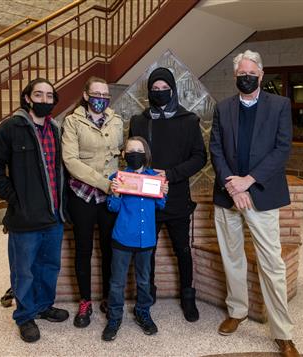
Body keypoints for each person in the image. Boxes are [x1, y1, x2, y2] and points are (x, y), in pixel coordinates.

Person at [209, 50, 300, 357]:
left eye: (251, 73)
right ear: (235, 77)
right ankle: (237, 311)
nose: (245, 77)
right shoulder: (223, 108)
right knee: (232, 256)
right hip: (228, 193)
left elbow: (282, 149)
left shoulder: (280, 105)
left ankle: (282, 332)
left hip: (261, 192)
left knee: (271, 263)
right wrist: (231, 185)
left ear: (261, 75)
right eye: (240, 74)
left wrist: (248, 181)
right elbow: (216, 150)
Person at [0, 78, 69, 343]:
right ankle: (25, 315)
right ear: (28, 98)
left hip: (54, 215)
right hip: (25, 217)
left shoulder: (55, 128)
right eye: (38, 94)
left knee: (49, 266)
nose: (44, 100)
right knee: (24, 270)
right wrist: (14, 197)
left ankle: (43, 306)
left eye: (49, 95)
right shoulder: (11, 128)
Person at [129, 67, 207, 322]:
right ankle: (146, 295)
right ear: (149, 92)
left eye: (164, 89)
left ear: (172, 90)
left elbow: (199, 157)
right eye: (155, 89)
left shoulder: (188, 120)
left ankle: (188, 297)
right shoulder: (139, 121)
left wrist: (170, 174)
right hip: (147, 200)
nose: (160, 93)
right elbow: (133, 158)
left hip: (176, 197)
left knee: (182, 249)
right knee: (146, 251)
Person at [62, 76, 124, 328]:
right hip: (83, 195)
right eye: (96, 93)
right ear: (86, 95)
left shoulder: (117, 120)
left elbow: (121, 154)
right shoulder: (72, 121)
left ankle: (108, 298)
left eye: (105, 94)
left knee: (109, 248)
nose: (101, 98)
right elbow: (71, 160)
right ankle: (85, 301)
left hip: (110, 195)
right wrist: (103, 183)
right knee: (84, 250)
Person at [101, 136, 168, 341]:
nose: (135, 154)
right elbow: (112, 208)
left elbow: (160, 206)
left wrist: (163, 192)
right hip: (122, 238)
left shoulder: (154, 178)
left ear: (145, 153)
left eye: (139, 150)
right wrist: (115, 194)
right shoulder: (119, 177)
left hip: (146, 239)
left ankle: (143, 313)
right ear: (124, 154)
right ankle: (114, 317)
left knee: (144, 280)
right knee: (117, 282)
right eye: (130, 150)